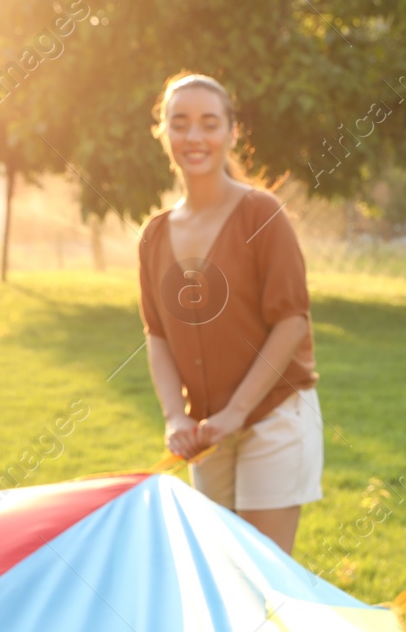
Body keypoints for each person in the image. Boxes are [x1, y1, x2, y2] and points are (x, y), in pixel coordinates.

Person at [138, 72, 322, 554]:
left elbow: (292, 320)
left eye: (208, 123)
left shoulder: (262, 214)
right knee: (222, 574)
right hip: (207, 433)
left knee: (264, 578)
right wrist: (175, 417)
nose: (194, 137)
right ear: (162, 134)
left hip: (272, 416)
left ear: (232, 133)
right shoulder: (155, 235)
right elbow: (156, 335)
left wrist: (238, 411)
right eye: (179, 124)